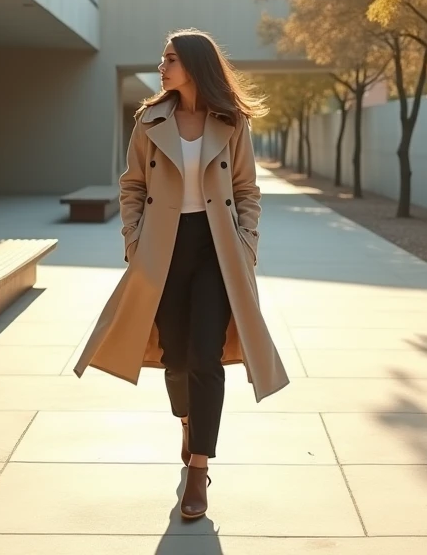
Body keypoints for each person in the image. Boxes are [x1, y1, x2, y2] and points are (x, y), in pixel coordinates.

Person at [74, 29, 290, 520]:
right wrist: (133, 242)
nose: (162, 66)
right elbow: (132, 186)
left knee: (205, 356)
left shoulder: (231, 121)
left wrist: (247, 244)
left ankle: (198, 468)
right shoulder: (149, 120)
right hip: (163, 249)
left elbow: (247, 189)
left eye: (170, 59)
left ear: (194, 65)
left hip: (217, 250)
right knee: (174, 355)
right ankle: (188, 422)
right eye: (162, 58)